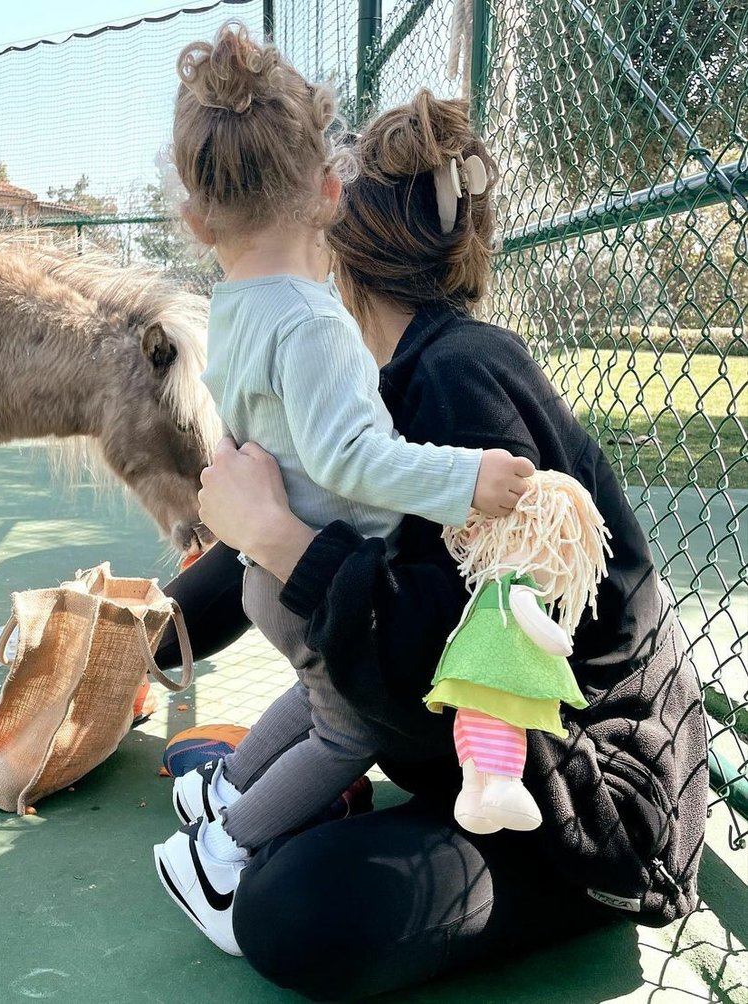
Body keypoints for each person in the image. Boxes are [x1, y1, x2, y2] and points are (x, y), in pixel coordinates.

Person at [153, 86, 708, 1000]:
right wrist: (180, 600)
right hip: (482, 758)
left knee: (293, 912)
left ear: (337, 244)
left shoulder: (457, 382)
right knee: (302, 833)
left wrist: (280, 539)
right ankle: (263, 800)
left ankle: (264, 832)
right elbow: (284, 528)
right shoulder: (382, 379)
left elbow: (436, 684)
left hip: (586, 805)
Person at [152, 23, 534, 957]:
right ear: (328, 194)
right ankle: (219, 852)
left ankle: (228, 784)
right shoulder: (314, 324)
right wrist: (464, 480)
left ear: (200, 223)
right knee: (349, 727)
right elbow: (355, 458)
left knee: (320, 703)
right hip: (318, 569)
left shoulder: (235, 307)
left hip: (270, 571)